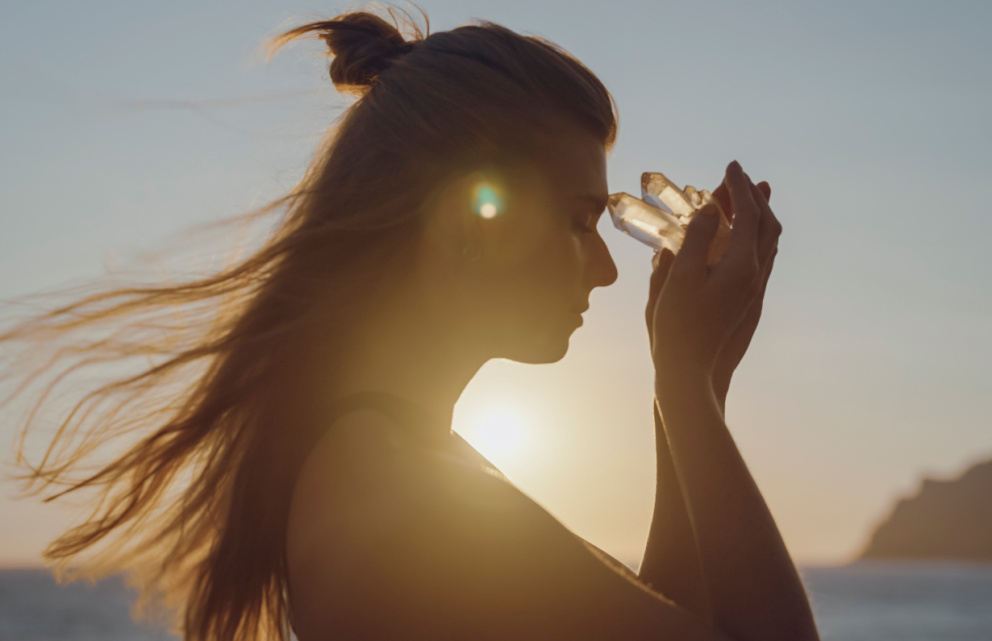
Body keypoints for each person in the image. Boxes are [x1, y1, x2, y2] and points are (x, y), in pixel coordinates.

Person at [3, 9, 819, 641]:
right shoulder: (398, 501)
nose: (606, 269)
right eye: (577, 221)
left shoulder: (397, 461)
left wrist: (687, 385)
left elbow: (669, 618)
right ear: (472, 221)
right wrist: (686, 389)